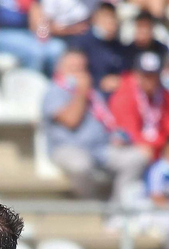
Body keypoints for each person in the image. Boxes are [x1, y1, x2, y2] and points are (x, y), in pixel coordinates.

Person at [44, 49, 149, 202]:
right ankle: (93, 203)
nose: (79, 73)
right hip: (69, 149)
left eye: (82, 68)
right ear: (60, 69)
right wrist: (80, 92)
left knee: (138, 157)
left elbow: (107, 122)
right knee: (80, 165)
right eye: (73, 68)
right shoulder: (54, 91)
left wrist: (116, 137)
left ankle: (118, 208)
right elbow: (71, 120)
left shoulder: (93, 94)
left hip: (100, 149)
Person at [108, 51, 169, 163]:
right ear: (137, 75)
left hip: (158, 148)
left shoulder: (165, 96)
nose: (150, 80)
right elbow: (129, 132)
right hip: (130, 150)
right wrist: (157, 145)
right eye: (146, 75)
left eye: (153, 75)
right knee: (141, 156)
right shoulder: (124, 94)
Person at [67, 2, 129, 93]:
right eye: (105, 17)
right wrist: (99, 82)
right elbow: (74, 73)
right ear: (95, 19)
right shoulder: (82, 43)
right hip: (88, 92)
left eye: (112, 17)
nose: (110, 21)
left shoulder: (118, 47)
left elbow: (124, 72)